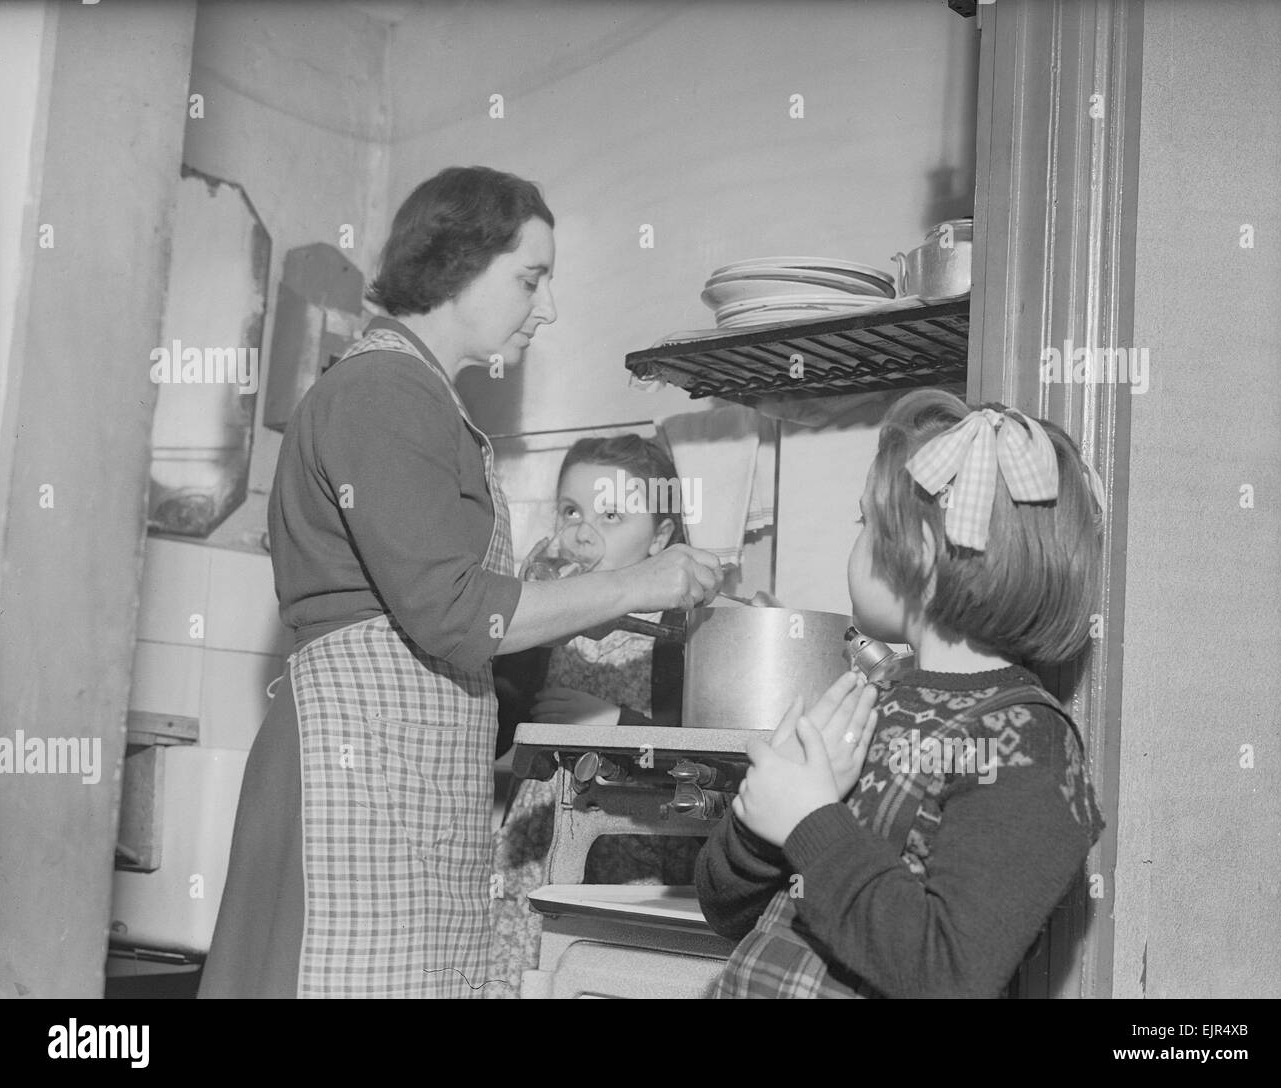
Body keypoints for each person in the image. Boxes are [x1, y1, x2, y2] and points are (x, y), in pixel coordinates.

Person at [198, 166, 722, 999]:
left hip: (395, 786)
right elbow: (453, 612)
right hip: (352, 781)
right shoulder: (381, 392)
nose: (545, 308)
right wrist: (641, 581)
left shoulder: (421, 398)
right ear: (458, 264)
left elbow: (451, 607)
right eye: (530, 277)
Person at [695, 388, 1107, 998]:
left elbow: (950, 974)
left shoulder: (1028, 747)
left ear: (916, 548)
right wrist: (759, 824)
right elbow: (725, 910)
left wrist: (808, 819)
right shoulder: (874, 701)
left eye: (866, 521)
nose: (855, 541)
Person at [487, 434, 704, 998]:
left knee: (609, 975)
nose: (583, 530)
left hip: (636, 853)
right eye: (571, 511)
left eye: (611, 515)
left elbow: (702, 754)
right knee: (529, 972)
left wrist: (614, 721)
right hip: (543, 842)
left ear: (660, 539)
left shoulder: (681, 634)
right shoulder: (549, 618)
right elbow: (499, 722)